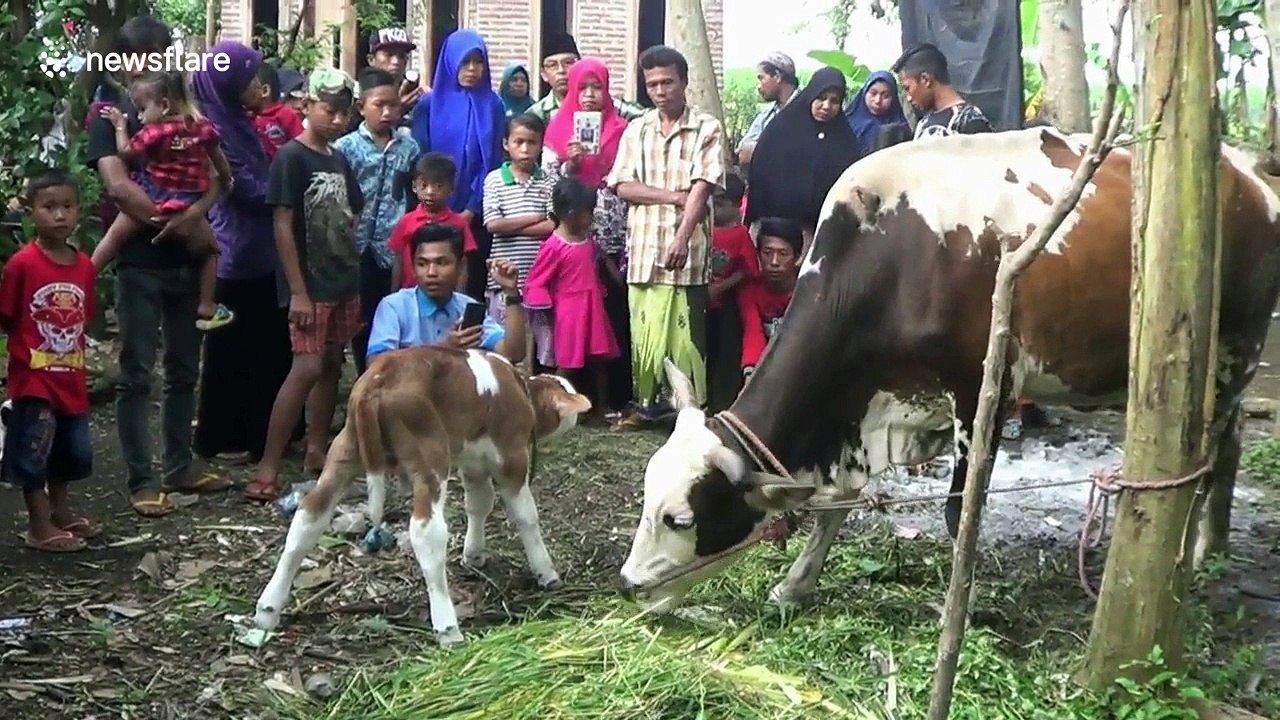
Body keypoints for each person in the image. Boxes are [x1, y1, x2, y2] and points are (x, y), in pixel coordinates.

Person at [86, 16, 233, 517]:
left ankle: (179, 466)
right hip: (140, 262)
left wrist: (192, 218)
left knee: (184, 369)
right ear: (123, 60)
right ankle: (142, 478)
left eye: (160, 51)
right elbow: (118, 184)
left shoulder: (189, 114)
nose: (151, 62)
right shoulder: (109, 114)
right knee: (136, 373)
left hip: (186, 262)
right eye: (141, 54)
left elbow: (219, 176)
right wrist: (175, 223)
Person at [243, 68, 363, 502]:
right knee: (306, 367)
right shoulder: (291, 158)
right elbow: (282, 224)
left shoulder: (338, 158)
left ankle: (316, 447)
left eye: (344, 112)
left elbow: (353, 210)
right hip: (308, 284)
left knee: (332, 362)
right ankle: (269, 464)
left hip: (341, 278)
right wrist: (297, 290)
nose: (337, 118)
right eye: (328, 109)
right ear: (306, 107)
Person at [192, 41, 302, 468]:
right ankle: (227, 435)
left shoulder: (238, 121)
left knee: (269, 345)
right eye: (249, 77)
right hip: (236, 252)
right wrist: (288, 190)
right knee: (234, 351)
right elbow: (244, 188)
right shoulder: (213, 130)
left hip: (264, 250)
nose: (258, 85)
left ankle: (267, 432)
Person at [607, 45, 724, 427]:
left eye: (667, 82)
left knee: (686, 331)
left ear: (684, 82)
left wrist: (682, 235)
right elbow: (621, 185)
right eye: (653, 83)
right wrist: (673, 195)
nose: (660, 91)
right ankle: (645, 406)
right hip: (642, 246)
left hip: (686, 248)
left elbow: (704, 187)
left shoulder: (706, 127)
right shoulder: (636, 129)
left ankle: (690, 409)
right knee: (644, 327)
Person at [0, 171, 99, 551]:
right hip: (34, 379)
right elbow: (7, 315)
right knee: (33, 451)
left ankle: (60, 512)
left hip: (70, 376)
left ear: (79, 211)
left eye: (67, 207)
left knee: (71, 451)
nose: (59, 216)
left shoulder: (85, 266)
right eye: (49, 207)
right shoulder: (22, 265)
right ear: (30, 212)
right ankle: (39, 525)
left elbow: (83, 315)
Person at [93, 71, 235, 331]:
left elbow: (125, 153)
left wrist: (120, 126)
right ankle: (206, 305)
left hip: (153, 193)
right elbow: (219, 161)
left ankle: (82, 278)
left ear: (165, 105)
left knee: (114, 236)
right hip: (187, 201)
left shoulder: (155, 132)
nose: (139, 116)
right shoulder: (203, 127)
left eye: (142, 109)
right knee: (211, 251)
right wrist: (226, 180)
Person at [541, 57, 632, 412]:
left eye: (597, 87)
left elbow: (630, 172)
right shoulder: (557, 128)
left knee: (609, 311)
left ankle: (615, 394)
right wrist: (570, 165)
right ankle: (568, 395)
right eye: (583, 88)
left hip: (612, 228)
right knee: (573, 318)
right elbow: (549, 182)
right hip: (572, 231)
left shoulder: (623, 128)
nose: (590, 95)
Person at [410, 29, 506, 299]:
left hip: (476, 212)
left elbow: (494, 163)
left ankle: (467, 340)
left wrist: (471, 209)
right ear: (451, 62)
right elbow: (422, 157)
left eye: (479, 62)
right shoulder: (428, 104)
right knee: (433, 277)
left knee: (470, 283)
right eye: (465, 62)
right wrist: (436, 202)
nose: (473, 69)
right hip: (432, 208)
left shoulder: (493, 105)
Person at [335, 68, 417, 375]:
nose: (386, 112)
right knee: (357, 319)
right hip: (353, 248)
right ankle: (362, 378)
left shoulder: (409, 148)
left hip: (390, 248)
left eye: (393, 105)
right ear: (360, 107)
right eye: (378, 105)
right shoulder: (345, 148)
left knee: (388, 314)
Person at [523, 178, 619, 415]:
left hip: (593, 306)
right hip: (569, 311)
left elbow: (598, 266)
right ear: (571, 214)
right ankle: (549, 409)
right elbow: (536, 279)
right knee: (567, 363)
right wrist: (543, 306)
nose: (591, 218)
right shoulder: (554, 245)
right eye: (588, 213)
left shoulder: (589, 241)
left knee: (598, 360)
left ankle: (601, 408)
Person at [367, 223, 527, 363]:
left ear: (461, 265)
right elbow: (375, 364)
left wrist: (510, 291)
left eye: (441, 263)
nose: (431, 272)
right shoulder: (394, 307)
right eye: (422, 263)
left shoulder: (468, 308)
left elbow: (513, 354)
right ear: (413, 268)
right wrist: (443, 349)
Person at [746, 67, 861, 253]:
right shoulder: (781, 129)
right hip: (774, 231)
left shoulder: (845, 141)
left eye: (834, 101)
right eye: (821, 98)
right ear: (811, 95)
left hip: (818, 235)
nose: (826, 106)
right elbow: (760, 175)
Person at [482, 114, 558, 369]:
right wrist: (535, 218)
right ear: (506, 144)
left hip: (540, 278)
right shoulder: (494, 180)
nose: (525, 149)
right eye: (519, 142)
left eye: (532, 143)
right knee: (506, 344)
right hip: (503, 278)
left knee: (543, 346)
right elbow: (493, 224)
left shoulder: (548, 180)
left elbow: (553, 226)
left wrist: (512, 226)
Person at [706, 174, 759, 413]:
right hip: (703, 304)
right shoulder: (703, 228)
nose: (714, 208)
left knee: (725, 355)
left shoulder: (740, 235)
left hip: (727, 306)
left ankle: (723, 403)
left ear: (737, 204)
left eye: (720, 203)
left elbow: (748, 271)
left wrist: (720, 287)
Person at [389, 152, 478, 291]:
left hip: (447, 294)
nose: (430, 192)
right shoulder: (406, 221)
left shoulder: (458, 223)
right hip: (411, 293)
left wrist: (460, 295)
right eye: (424, 185)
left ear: (452, 188)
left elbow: (464, 263)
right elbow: (398, 259)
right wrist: (394, 292)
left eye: (438, 186)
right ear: (414, 187)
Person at [526, 32, 645, 123]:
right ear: (544, 75)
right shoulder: (537, 115)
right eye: (552, 65)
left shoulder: (613, 107)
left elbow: (649, 118)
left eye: (568, 62)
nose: (561, 70)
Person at [739, 217, 801, 377]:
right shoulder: (750, 290)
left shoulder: (809, 289)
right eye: (767, 253)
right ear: (758, 254)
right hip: (765, 366)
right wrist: (750, 373)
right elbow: (753, 332)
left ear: (798, 257)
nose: (774, 262)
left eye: (783, 254)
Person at [892, 44, 992, 138]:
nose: (908, 98)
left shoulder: (970, 120)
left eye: (907, 88)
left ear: (925, 80)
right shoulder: (922, 124)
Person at [736, 52, 799, 166]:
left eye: (762, 78)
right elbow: (743, 149)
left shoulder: (806, 109)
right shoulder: (768, 114)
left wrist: (761, 151)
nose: (759, 87)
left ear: (777, 76)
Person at [845, 70, 910, 157]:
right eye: (873, 93)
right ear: (864, 93)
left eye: (885, 96)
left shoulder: (902, 129)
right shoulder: (847, 125)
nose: (878, 101)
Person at [367, 27, 423, 121]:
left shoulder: (416, 99)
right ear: (371, 60)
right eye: (388, 54)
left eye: (401, 56)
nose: (396, 61)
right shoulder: (357, 97)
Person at [252, 63, 305, 161]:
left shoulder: (286, 115)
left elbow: (302, 147)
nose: (300, 105)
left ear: (265, 90)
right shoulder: (246, 116)